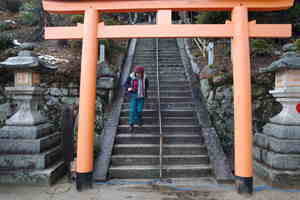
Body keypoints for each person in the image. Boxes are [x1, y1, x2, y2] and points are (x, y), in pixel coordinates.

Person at [124, 65, 149, 132]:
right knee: (132, 110)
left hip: (141, 97)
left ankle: (139, 120)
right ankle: (131, 124)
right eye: (137, 73)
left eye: (139, 73)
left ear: (142, 73)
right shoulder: (131, 76)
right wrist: (129, 88)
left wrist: (145, 94)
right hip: (134, 96)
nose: (138, 75)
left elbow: (147, 86)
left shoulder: (145, 78)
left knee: (139, 110)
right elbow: (126, 84)